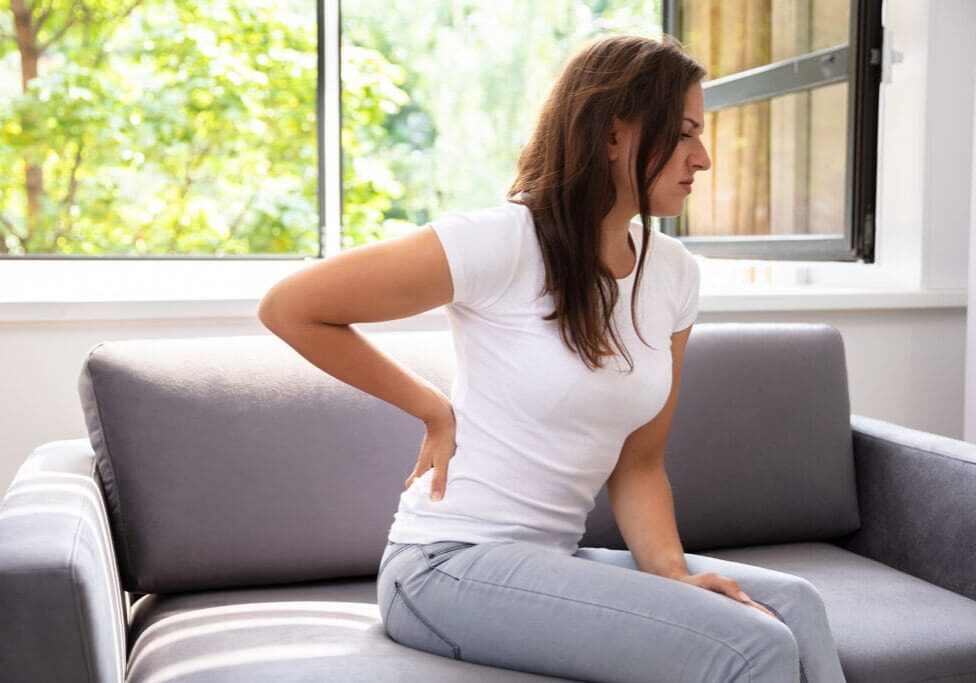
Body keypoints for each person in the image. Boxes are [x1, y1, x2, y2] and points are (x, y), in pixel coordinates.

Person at [258, 32, 847, 683]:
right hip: (443, 565)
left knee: (796, 606)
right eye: (683, 133)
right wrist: (432, 409)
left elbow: (640, 463)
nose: (702, 157)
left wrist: (676, 578)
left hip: (548, 561)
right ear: (613, 133)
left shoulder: (673, 275)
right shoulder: (504, 242)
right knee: (753, 645)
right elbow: (291, 306)